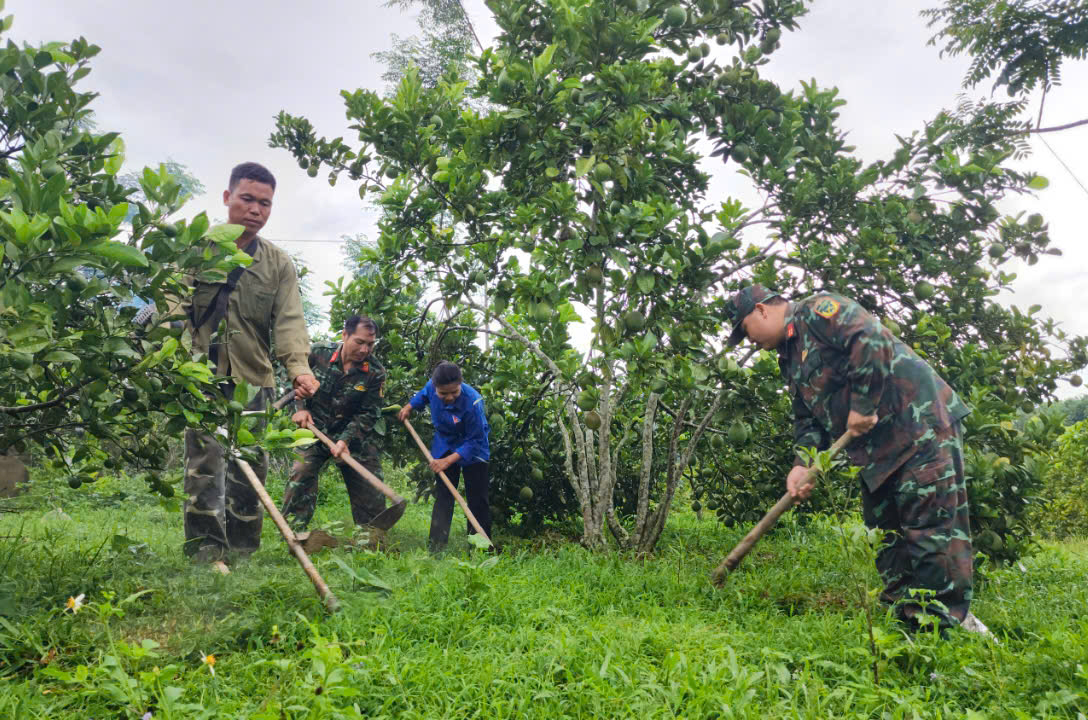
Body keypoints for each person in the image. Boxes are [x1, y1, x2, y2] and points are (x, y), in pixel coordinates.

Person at [725, 284, 989, 635]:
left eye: (745, 331)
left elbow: (871, 339)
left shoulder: (818, 311)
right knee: (886, 540)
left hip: (919, 430)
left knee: (931, 535)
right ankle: (906, 626)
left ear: (761, 310)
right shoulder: (789, 358)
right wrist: (803, 463)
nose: (749, 341)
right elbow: (807, 417)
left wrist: (862, 407)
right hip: (876, 454)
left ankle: (940, 636)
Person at [178, 162, 319, 564]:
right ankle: (205, 552)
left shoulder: (278, 264)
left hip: (254, 380)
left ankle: (242, 551)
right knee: (204, 467)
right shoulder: (195, 250)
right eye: (247, 199)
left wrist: (300, 368)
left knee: (249, 467)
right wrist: (175, 354)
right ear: (227, 198)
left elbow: (291, 321)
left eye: (265, 203)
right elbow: (173, 305)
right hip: (200, 378)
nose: (256, 210)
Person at [282, 315, 388, 531]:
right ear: (345, 335)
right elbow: (293, 380)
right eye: (360, 342)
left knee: (370, 487)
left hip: (352, 436)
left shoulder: (376, 372)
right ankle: (292, 533)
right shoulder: (317, 353)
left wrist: (345, 440)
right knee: (301, 472)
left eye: (370, 344)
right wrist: (300, 410)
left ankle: (371, 538)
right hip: (314, 430)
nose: (365, 350)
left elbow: (369, 413)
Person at [397, 362, 491, 551]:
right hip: (445, 444)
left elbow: (475, 440)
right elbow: (422, 396)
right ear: (435, 387)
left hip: (474, 448)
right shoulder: (431, 387)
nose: (449, 397)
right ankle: (436, 547)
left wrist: (446, 462)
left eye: (454, 393)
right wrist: (409, 406)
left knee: (477, 499)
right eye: (443, 394)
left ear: (460, 385)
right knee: (444, 496)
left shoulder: (473, 402)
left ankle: (480, 548)